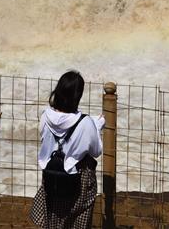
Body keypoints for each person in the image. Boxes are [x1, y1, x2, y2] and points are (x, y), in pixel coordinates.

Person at [30, 70, 105, 229]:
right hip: (77, 178)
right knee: (78, 222)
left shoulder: (45, 116)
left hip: (52, 175)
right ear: (77, 96)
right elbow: (96, 151)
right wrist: (96, 128)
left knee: (55, 220)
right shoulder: (86, 123)